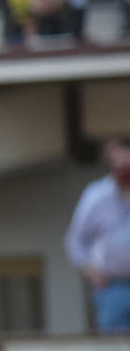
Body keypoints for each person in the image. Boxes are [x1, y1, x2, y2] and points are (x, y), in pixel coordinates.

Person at [66, 136, 130, 333]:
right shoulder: (97, 195)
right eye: (118, 164)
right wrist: (90, 271)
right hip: (113, 287)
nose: (124, 170)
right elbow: (74, 239)